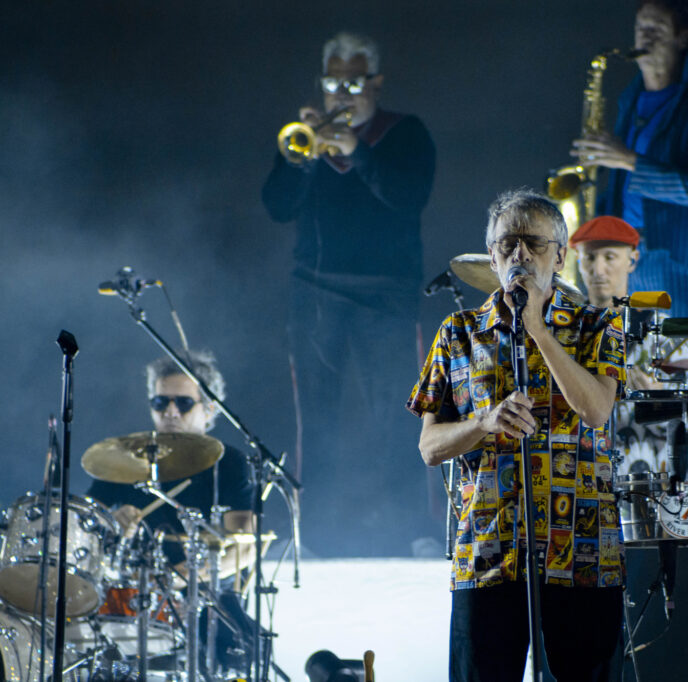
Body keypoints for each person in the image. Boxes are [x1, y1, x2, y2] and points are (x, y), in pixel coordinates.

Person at [408, 190, 626, 681]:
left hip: (582, 549)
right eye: (508, 244)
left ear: (560, 255)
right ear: (492, 256)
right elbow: (429, 447)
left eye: (533, 242)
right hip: (488, 551)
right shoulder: (459, 333)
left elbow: (595, 410)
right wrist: (484, 423)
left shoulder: (598, 325)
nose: (520, 254)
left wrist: (539, 331)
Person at [261, 31, 437, 556]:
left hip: (386, 296)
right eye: (334, 82)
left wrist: (357, 152)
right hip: (317, 295)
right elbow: (277, 206)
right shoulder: (308, 138)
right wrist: (301, 158)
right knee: (314, 420)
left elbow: (408, 198)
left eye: (354, 82)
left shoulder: (406, 134)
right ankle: (311, 535)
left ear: (376, 84)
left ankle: (414, 531)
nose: (342, 93)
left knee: (399, 415)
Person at [571, 0, 688, 388]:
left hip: (675, 269)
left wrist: (628, 159)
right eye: (640, 25)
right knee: (624, 376)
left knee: (670, 389)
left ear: (684, 38)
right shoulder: (630, 100)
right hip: (625, 265)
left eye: (657, 26)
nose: (644, 34)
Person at [84, 350, 257, 672]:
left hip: (202, 594)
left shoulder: (229, 464)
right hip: (128, 591)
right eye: (161, 402)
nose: (171, 412)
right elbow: (82, 524)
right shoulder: (126, 458)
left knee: (228, 635)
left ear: (209, 409)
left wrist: (185, 578)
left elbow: (246, 545)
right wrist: (109, 523)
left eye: (184, 402)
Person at [570, 215, 688, 475]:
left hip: (644, 485)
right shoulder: (565, 331)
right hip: (579, 478)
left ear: (633, 259)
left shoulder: (664, 332)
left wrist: (656, 399)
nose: (598, 270)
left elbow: (681, 424)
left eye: (610, 257)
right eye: (590, 258)